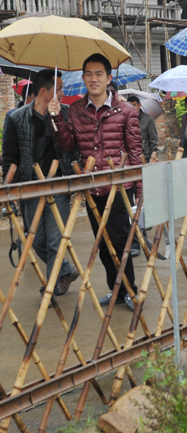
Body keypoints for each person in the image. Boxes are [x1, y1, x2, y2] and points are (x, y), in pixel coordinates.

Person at [49, 53, 144, 311]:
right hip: (92, 188)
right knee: (102, 242)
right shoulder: (77, 110)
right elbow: (67, 143)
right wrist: (57, 117)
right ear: (83, 78)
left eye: (99, 74)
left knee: (121, 240)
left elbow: (135, 151)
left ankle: (131, 291)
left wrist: (139, 189)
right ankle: (116, 289)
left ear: (108, 78)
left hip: (118, 187)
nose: (94, 79)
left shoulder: (125, 111)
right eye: (88, 74)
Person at [2, 69, 80, 297]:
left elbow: (71, 147)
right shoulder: (15, 118)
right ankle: (66, 271)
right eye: (60, 88)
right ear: (44, 91)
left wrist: (57, 118)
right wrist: (11, 189)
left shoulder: (65, 113)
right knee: (35, 240)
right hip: (30, 187)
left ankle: (52, 287)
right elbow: (9, 158)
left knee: (56, 241)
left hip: (58, 185)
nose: (64, 93)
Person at [127, 96, 158, 163]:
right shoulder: (126, 120)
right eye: (130, 105)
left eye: (134, 105)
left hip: (145, 156)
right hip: (131, 157)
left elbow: (153, 139)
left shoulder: (148, 119)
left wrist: (154, 155)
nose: (132, 108)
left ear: (139, 105)